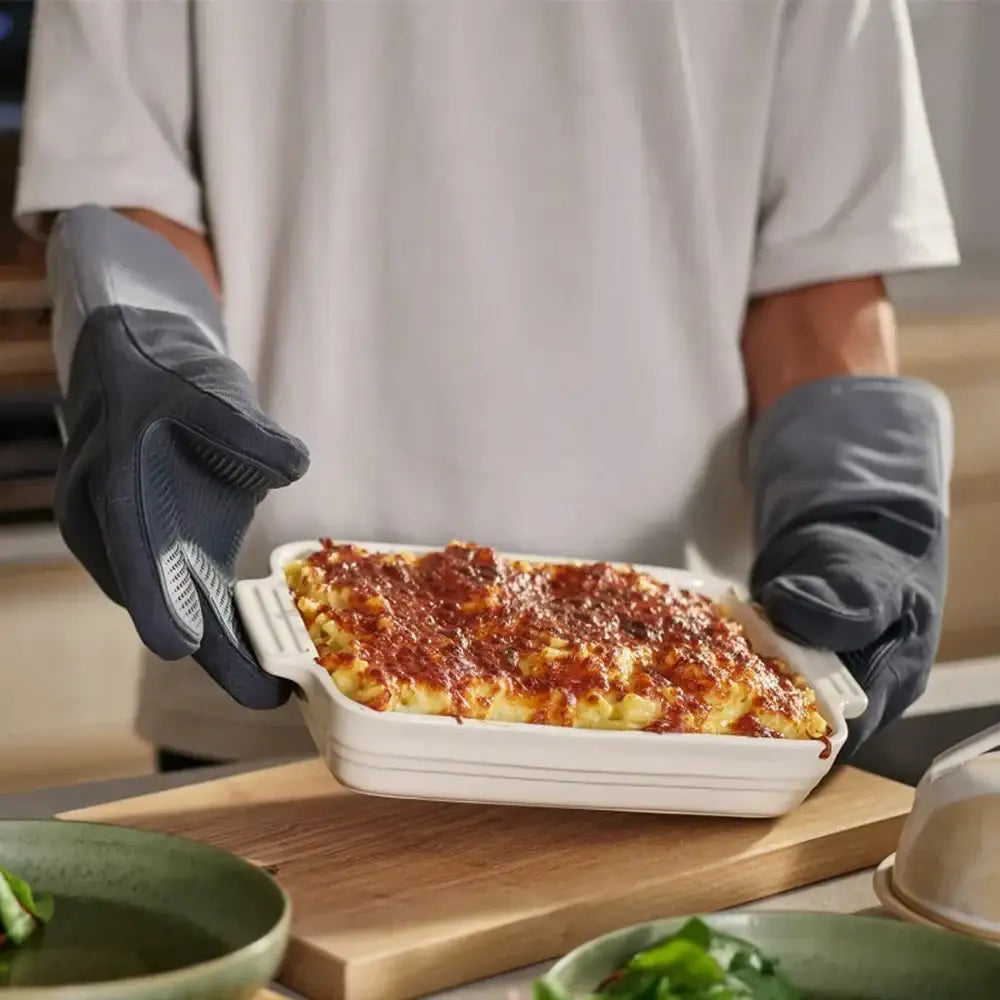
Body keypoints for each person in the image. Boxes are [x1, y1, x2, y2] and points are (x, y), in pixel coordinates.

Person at [16, 0, 957, 771]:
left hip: (690, 714)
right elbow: (125, 183)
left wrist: (860, 502)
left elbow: (821, 272)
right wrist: (145, 348)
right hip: (261, 652)